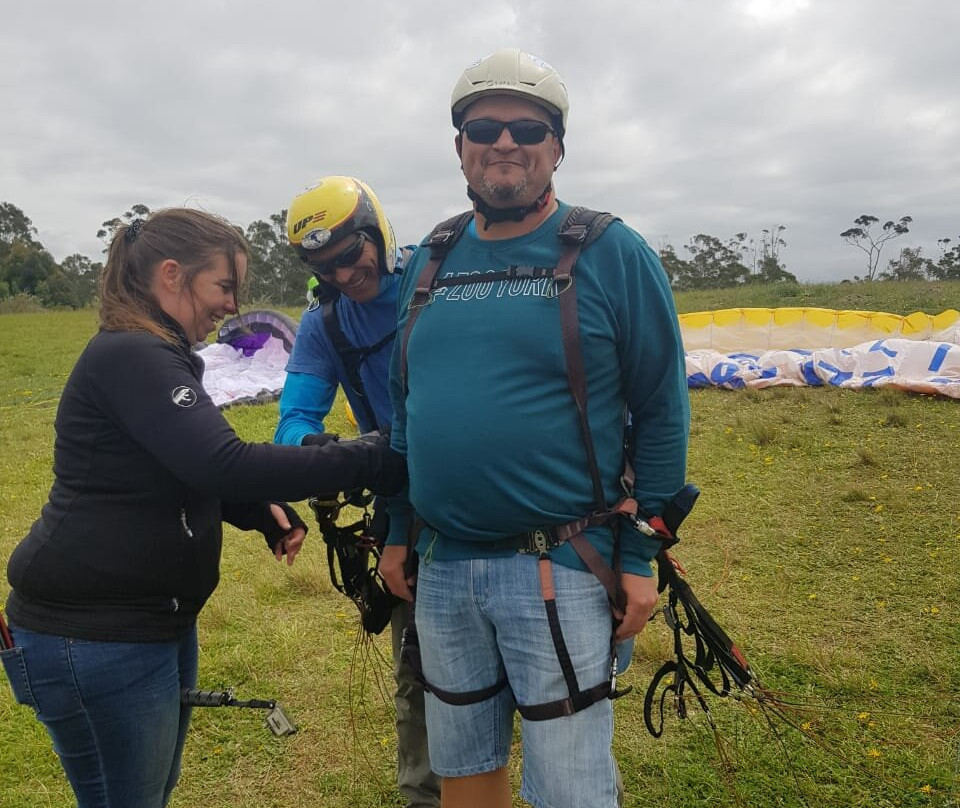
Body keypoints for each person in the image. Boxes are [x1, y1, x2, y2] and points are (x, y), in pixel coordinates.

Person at [1, 208, 406, 808]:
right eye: (223, 287)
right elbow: (222, 462)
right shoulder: (132, 354)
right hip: (92, 632)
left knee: (147, 792)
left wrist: (250, 508)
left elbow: (175, 467)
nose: (231, 307)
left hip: (142, 623)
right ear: (172, 275)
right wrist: (372, 455)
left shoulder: (156, 354)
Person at [380, 49, 690, 808]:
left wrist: (643, 551)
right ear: (460, 146)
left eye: (529, 127)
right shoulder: (432, 257)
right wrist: (397, 528)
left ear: (557, 146)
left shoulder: (611, 252)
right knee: (464, 770)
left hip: (562, 564)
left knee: (571, 785)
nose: (506, 142)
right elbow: (404, 411)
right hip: (443, 566)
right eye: (484, 127)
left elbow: (661, 407)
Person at [277, 176, 440, 808]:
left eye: (351, 254)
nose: (344, 275)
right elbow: (294, 417)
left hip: (484, 486)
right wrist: (316, 451)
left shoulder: (438, 275)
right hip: (401, 502)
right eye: (325, 268)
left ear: (377, 232)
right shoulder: (324, 324)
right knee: (420, 671)